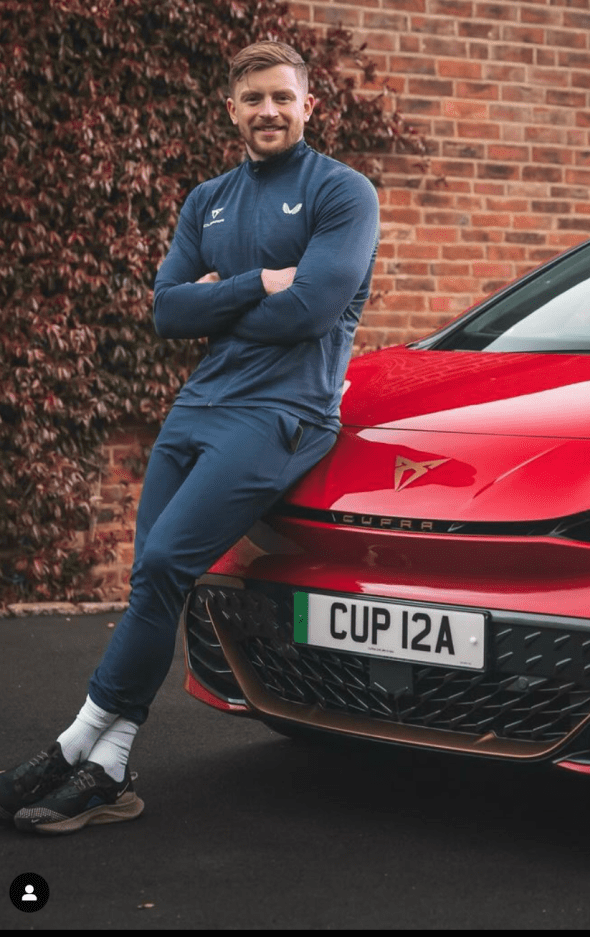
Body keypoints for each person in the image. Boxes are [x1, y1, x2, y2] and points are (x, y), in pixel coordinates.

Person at [0, 40, 380, 835]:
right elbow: (166, 310)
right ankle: (109, 771)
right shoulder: (206, 199)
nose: (268, 111)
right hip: (200, 404)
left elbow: (307, 312)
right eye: (253, 100)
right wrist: (255, 283)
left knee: (170, 561)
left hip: (285, 413)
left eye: (283, 97)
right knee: (152, 576)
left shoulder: (343, 193)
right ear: (231, 109)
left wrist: (222, 297)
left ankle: (70, 745)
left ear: (309, 106)